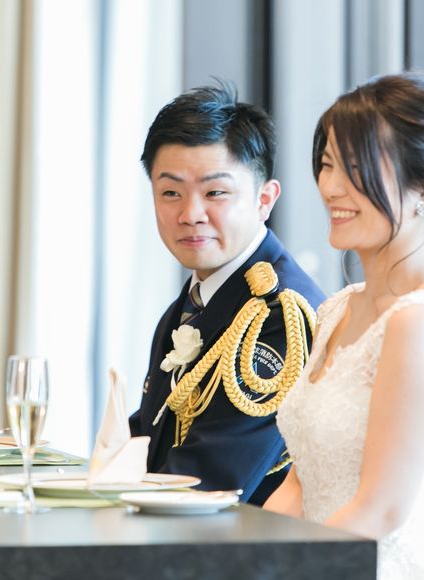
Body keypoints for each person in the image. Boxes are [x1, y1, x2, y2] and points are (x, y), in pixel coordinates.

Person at [264, 71, 424, 578]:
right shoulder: (337, 310)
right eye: (328, 164)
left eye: (356, 168)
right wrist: (244, 557)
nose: (331, 187)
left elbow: (380, 509)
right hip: (325, 556)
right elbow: (299, 484)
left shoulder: (419, 322)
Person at [128, 82, 324, 506]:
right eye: (170, 193)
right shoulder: (196, 297)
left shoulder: (279, 315)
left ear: (264, 199)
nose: (190, 214)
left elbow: (209, 481)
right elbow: (149, 435)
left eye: (215, 192)